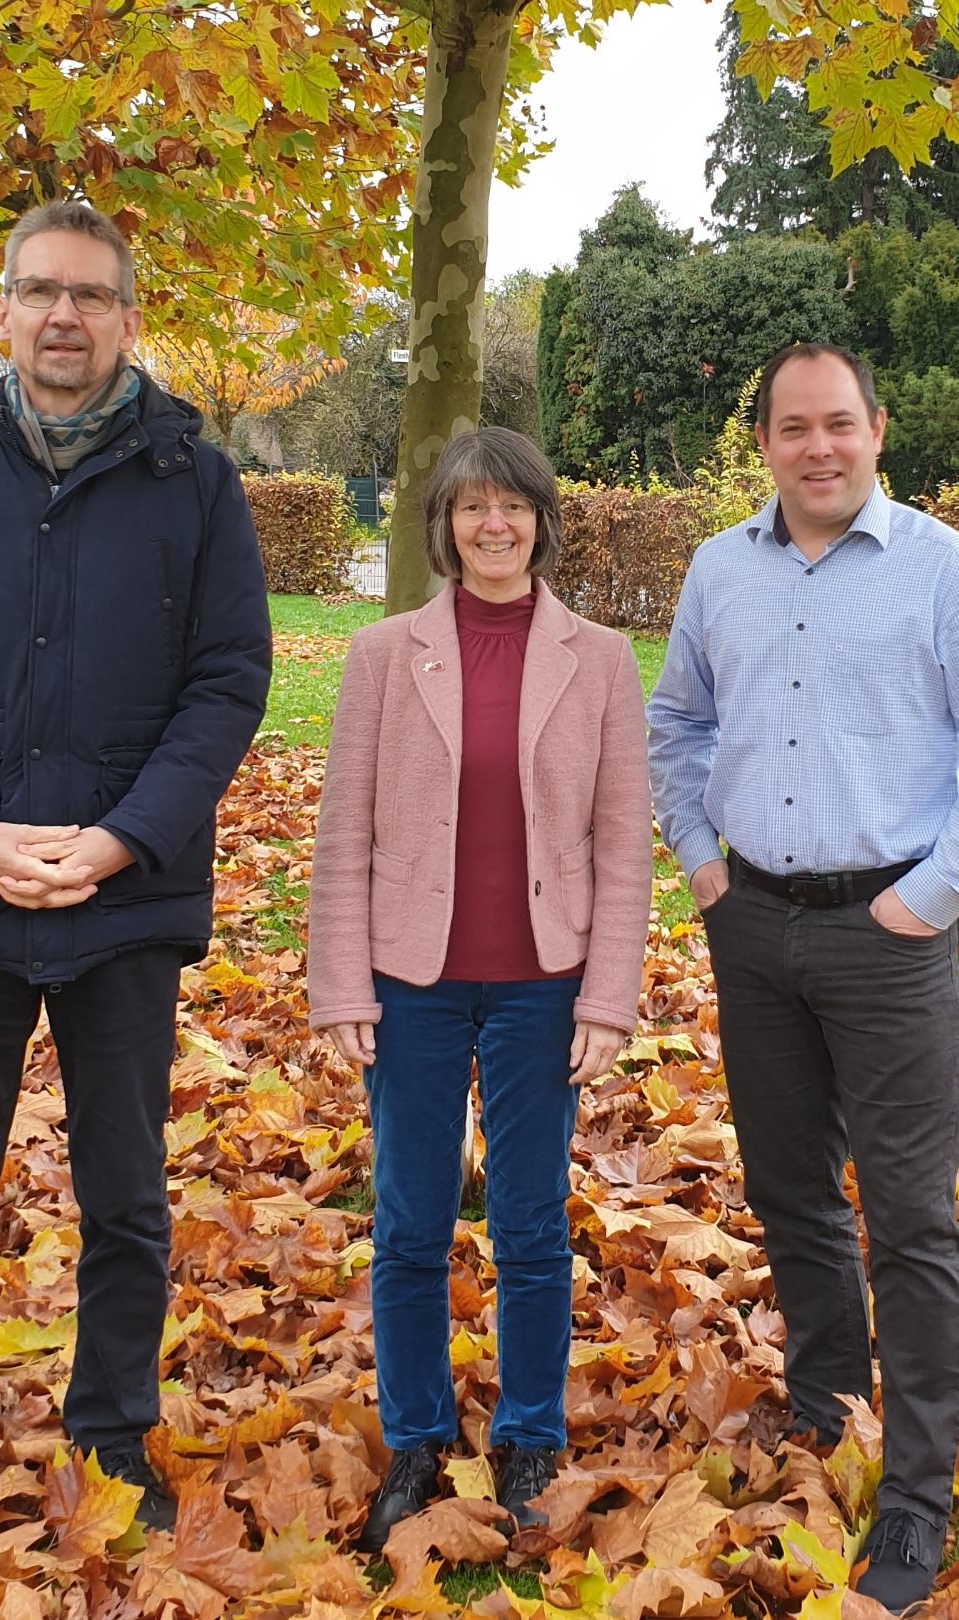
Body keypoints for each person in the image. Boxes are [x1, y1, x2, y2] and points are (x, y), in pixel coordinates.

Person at [0, 200, 272, 1578]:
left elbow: (227, 682)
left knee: (127, 1196)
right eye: (38, 292)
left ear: (129, 316)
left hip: (124, 901)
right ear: (5, 311)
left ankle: (113, 1440)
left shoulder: (194, 483)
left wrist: (122, 838)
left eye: (89, 294)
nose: (63, 316)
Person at [646, 343, 959, 1612]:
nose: (817, 448)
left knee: (912, 1217)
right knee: (787, 1186)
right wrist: (703, 866)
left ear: (878, 430)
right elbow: (677, 723)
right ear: (761, 441)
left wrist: (923, 901)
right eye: (792, 428)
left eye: (839, 425)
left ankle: (918, 1498)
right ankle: (824, 1404)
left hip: (888, 938)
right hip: (753, 925)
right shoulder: (721, 569)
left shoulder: (950, 573)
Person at [307, 426, 653, 1551]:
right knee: (407, 1221)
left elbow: (618, 845)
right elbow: (343, 835)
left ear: (543, 520)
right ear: (443, 526)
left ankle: (529, 1433)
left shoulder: (598, 659)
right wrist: (339, 985)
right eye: (471, 509)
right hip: (410, 981)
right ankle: (412, 1439)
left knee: (530, 1223)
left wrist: (608, 997)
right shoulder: (382, 656)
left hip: (541, 986)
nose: (492, 525)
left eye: (512, 507)